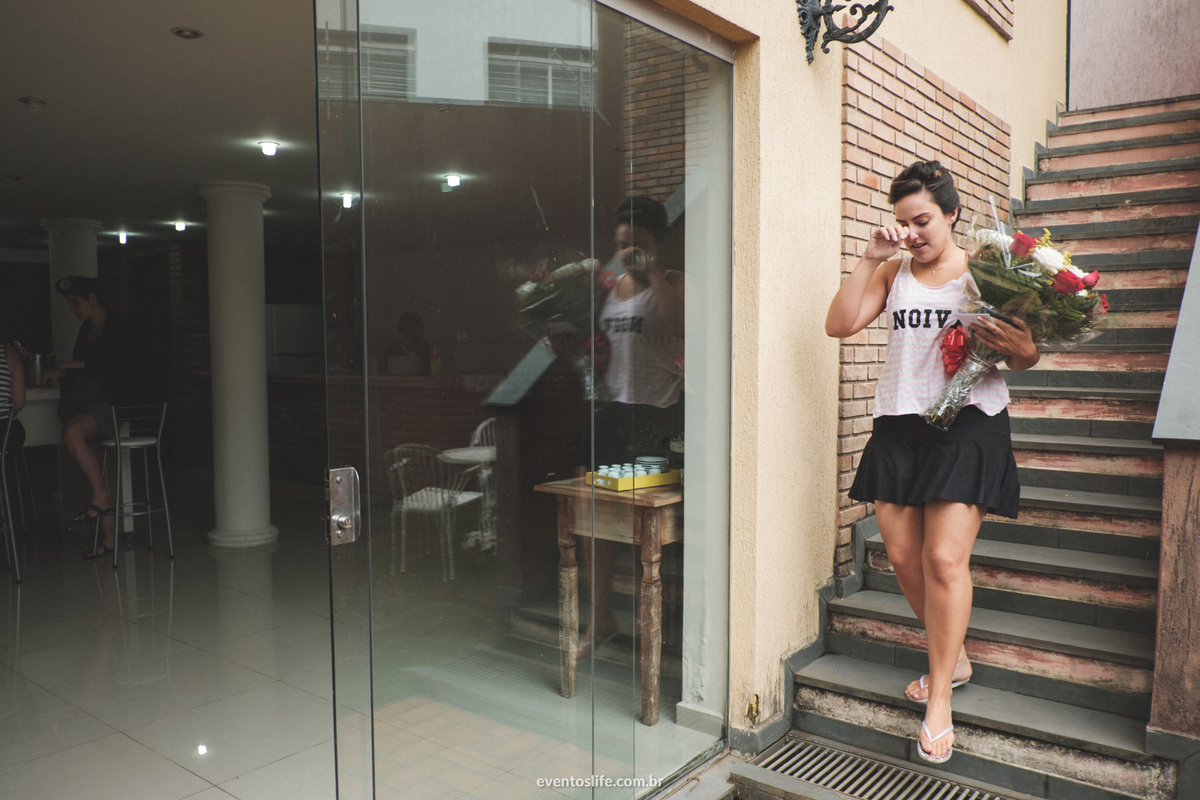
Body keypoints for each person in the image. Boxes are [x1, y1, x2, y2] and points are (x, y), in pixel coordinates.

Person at [824, 161, 1039, 763]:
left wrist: (1024, 349)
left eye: (922, 221)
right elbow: (838, 324)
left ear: (951, 214)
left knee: (943, 558)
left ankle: (939, 695)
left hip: (969, 424)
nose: (912, 233)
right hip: (900, 423)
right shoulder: (893, 271)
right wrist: (868, 257)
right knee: (900, 557)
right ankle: (957, 654)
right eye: (902, 223)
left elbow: (1024, 356)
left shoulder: (986, 276)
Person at [576, 196, 685, 657]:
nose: (628, 254)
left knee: (648, 526)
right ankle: (599, 618)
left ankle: (652, 621)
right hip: (610, 413)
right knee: (592, 518)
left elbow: (678, 327)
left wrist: (655, 272)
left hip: (656, 415)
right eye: (621, 245)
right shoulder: (609, 288)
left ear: (658, 243)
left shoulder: (676, 282)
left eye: (638, 244)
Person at [41, 276, 134, 559]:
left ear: (92, 299)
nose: (73, 309)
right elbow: (85, 369)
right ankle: (108, 541)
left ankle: (100, 499)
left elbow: (119, 367)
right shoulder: (85, 329)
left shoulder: (119, 325)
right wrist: (64, 372)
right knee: (99, 472)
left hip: (111, 404)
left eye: (75, 302)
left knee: (72, 432)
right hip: (91, 402)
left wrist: (78, 364)